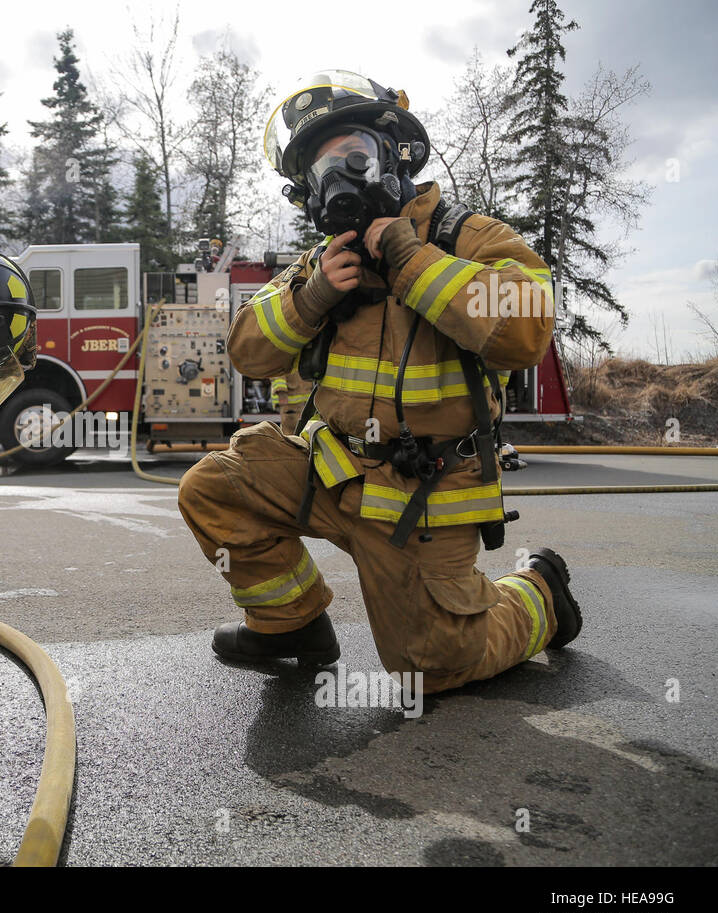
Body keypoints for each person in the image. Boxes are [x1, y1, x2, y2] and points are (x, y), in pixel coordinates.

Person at [177, 71, 581, 693]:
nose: (339, 175)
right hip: (332, 474)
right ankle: (291, 628)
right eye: (321, 168)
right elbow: (247, 352)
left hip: (423, 496)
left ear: (394, 155)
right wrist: (310, 298)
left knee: (433, 666)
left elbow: (525, 330)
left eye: (354, 154)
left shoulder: (465, 237)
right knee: (217, 488)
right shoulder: (324, 261)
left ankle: (539, 596)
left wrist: (410, 259)